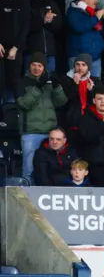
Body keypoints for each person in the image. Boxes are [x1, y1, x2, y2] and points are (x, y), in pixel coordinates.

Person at [17, 53, 68, 183]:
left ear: (44, 68)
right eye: (33, 65)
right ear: (29, 66)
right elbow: (23, 104)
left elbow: (61, 103)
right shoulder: (22, 81)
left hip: (50, 133)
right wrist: (38, 87)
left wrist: (57, 87)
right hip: (30, 133)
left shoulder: (49, 83)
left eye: (40, 65)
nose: (36, 68)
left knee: (52, 169)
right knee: (28, 170)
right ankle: (26, 201)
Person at [77, 87, 104, 187]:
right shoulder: (85, 118)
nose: (103, 102)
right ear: (94, 101)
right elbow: (86, 138)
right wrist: (103, 124)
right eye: (99, 99)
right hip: (95, 165)